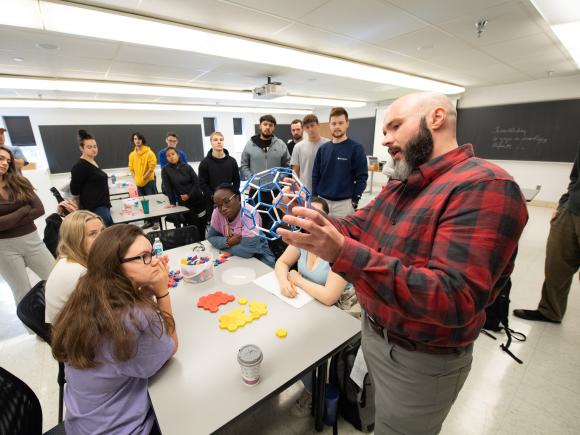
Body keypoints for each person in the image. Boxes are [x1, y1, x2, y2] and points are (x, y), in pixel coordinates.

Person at [277, 92, 529, 435]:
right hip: (374, 334)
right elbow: (356, 227)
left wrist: (342, 253)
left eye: (395, 126)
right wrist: (306, 219)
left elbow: (454, 299)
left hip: (421, 359)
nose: (385, 139)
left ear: (436, 117)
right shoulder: (403, 184)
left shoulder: (485, 186)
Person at [51, 224, 178, 435]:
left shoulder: (87, 292)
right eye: (144, 256)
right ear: (115, 266)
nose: (155, 261)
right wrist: (162, 292)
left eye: (152, 253)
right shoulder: (134, 316)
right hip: (121, 429)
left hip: (82, 425)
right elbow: (170, 347)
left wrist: (144, 292)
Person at [275, 196, 355, 417]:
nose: (310, 224)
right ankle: (312, 385)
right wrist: (284, 281)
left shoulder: (335, 247)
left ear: (328, 222)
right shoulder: (301, 240)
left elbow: (330, 296)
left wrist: (297, 279)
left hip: (341, 312)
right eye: (306, 217)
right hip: (311, 305)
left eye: (318, 218)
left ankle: (314, 390)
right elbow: (281, 262)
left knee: (303, 348)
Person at [514, 147, 580, 323]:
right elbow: (575, 178)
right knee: (556, 266)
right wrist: (563, 204)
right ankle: (550, 311)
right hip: (571, 209)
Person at [0, 146, 55, 305]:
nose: (5, 163)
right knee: (21, 291)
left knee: (55, 279)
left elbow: (39, 209)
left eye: (8, 161)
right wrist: (23, 210)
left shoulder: (19, 181)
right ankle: (36, 330)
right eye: (0, 158)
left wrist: (8, 221)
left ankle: (68, 322)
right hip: (3, 248)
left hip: (32, 241)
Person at [45, 210, 104, 322]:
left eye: (102, 231)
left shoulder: (68, 259)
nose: (102, 238)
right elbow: (104, 312)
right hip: (76, 333)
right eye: (92, 234)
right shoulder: (79, 272)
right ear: (75, 239)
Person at [312, 107, 368, 217]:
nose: (337, 126)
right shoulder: (323, 149)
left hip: (344, 205)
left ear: (347, 124)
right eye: (334, 123)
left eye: (341, 123)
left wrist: (355, 201)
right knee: (320, 233)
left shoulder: (356, 149)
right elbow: (315, 175)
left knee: (341, 234)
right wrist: (314, 197)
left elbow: (362, 177)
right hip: (322, 203)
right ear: (330, 125)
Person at [207, 183, 275, 267]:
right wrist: (228, 242)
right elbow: (210, 237)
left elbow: (247, 252)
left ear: (238, 198)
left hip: (260, 259)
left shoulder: (249, 213)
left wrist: (221, 245)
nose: (223, 208)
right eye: (218, 205)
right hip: (235, 260)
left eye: (226, 201)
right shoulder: (217, 212)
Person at [70, 129, 113, 226]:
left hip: (103, 205)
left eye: (95, 146)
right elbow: (75, 191)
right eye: (89, 147)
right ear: (81, 148)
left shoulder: (93, 162)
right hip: (95, 209)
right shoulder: (80, 166)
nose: (93, 149)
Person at [161, 147, 207, 230]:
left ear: (178, 155)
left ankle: (203, 241)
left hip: (198, 199)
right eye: (168, 156)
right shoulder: (165, 170)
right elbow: (168, 188)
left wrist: (189, 195)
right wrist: (172, 202)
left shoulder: (187, 167)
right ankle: (197, 242)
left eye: (173, 154)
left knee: (203, 223)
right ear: (166, 158)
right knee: (194, 225)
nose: (171, 157)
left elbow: (197, 183)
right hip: (185, 203)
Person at [198, 131, 240, 209]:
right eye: (215, 140)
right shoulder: (205, 163)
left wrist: (233, 194)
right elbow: (202, 183)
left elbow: (236, 180)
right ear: (211, 142)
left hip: (229, 200)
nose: (219, 142)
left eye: (221, 140)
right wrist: (214, 197)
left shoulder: (232, 161)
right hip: (213, 202)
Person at [290, 114, 329, 193]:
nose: (310, 129)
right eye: (307, 127)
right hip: (305, 190)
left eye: (312, 125)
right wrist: (297, 190)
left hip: (326, 189)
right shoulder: (298, 147)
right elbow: (295, 172)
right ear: (304, 129)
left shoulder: (329, 144)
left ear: (318, 125)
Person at [129, 132, 159, 230]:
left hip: (149, 182)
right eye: (135, 139)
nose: (137, 141)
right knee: (143, 202)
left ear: (142, 140)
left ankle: (156, 221)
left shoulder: (149, 153)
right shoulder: (132, 155)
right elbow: (131, 168)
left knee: (152, 201)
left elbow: (152, 167)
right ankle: (147, 221)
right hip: (139, 183)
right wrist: (136, 178)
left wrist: (144, 178)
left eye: (139, 139)